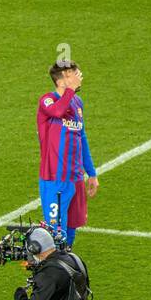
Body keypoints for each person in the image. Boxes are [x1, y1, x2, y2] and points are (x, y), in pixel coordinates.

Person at [37, 59, 99, 246]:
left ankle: (66, 262)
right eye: (74, 73)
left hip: (75, 177)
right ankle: (52, 269)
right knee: (56, 232)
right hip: (55, 178)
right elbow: (57, 112)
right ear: (63, 79)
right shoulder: (48, 100)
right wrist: (70, 90)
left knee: (72, 227)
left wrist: (92, 173)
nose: (80, 76)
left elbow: (82, 139)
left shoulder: (77, 102)